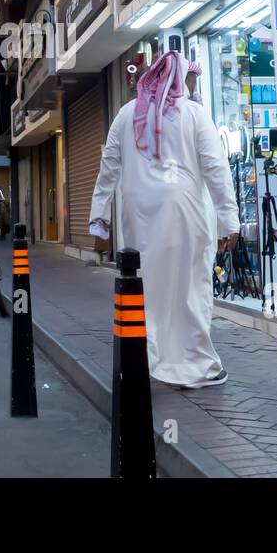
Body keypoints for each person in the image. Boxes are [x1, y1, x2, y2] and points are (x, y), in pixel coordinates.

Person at [89, 51, 240, 388]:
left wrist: (98, 215)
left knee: (148, 287)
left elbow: (108, 165)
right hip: (185, 212)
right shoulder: (195, 115)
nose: (192, 84)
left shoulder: (127, 114)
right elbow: (216, 169)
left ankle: (150, 357)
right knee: (189, 286)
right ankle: (196, 363)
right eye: (191, 78)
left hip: (139, 214)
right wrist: (229, 220)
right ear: (180, 80)